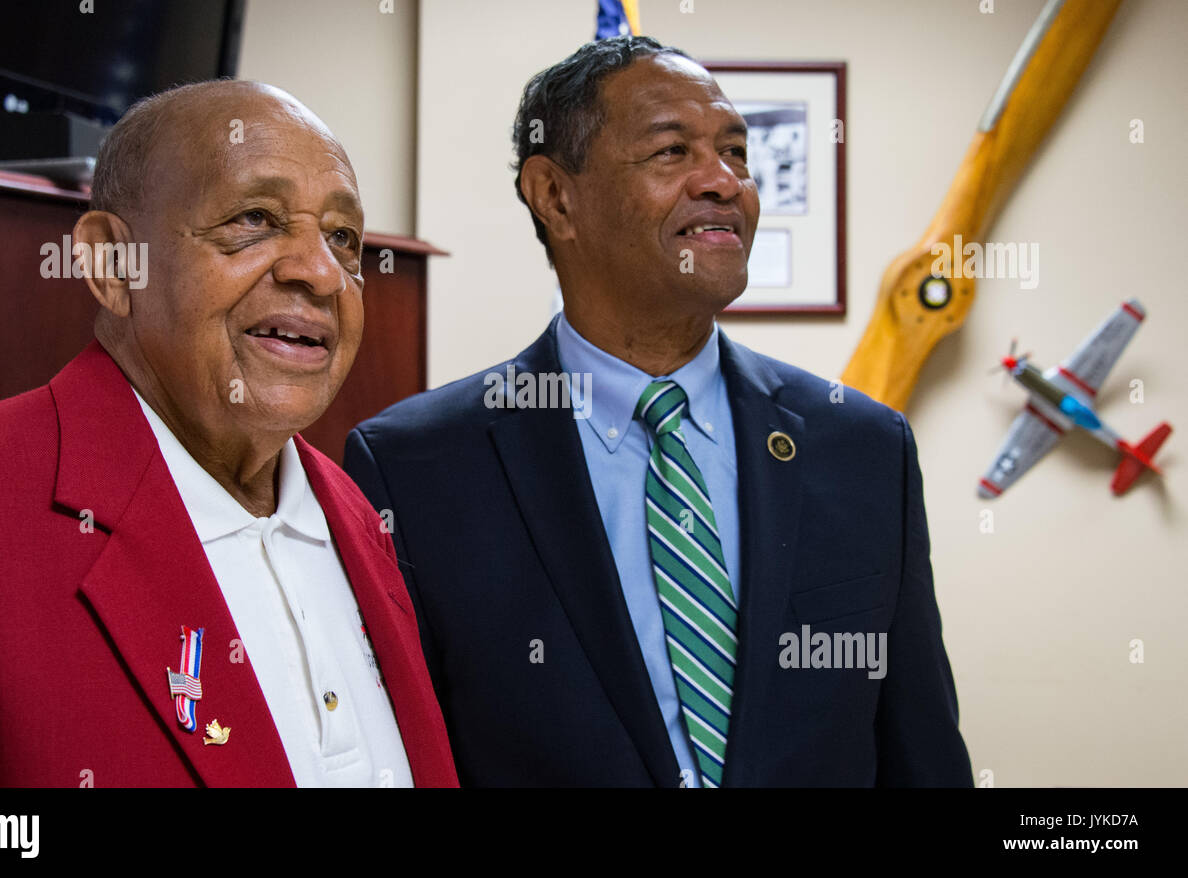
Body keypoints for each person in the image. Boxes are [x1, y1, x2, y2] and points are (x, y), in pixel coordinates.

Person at [345, 37, 972, 787]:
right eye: (672, 152)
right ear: (555, 196)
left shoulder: (864, 446)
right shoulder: (415, 467)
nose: (724, 181)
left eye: (737, 153)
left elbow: (921, 751)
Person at [0, 80, 456, 788]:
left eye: (343, 237)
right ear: (111, 264)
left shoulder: (359, 514)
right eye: (255, 218)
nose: (321, 273)